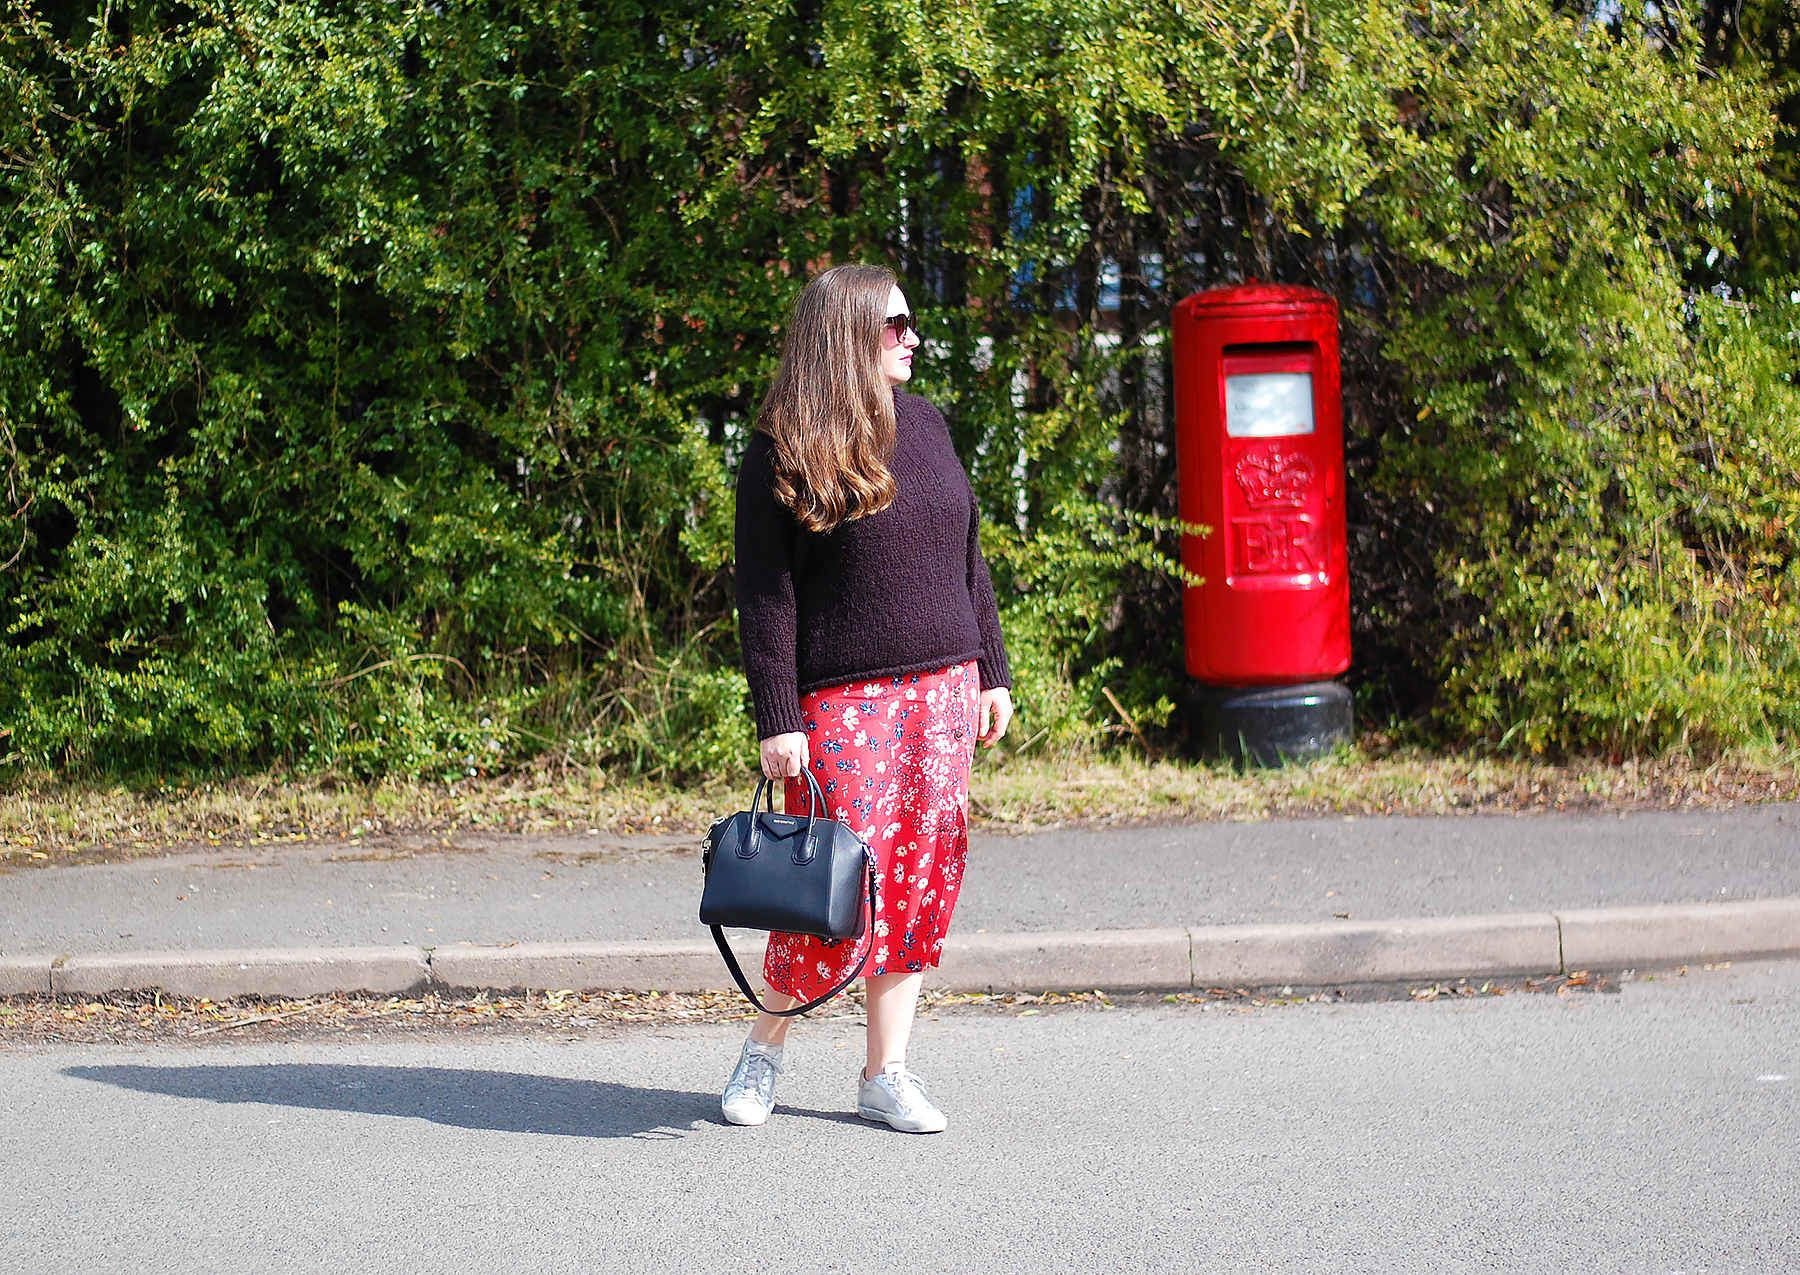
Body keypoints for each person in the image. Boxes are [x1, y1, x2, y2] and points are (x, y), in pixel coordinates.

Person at [722, 263, 1014, 1133]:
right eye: (896, 324)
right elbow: (766, 594)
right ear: (849, 333)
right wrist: (778, 718)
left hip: (943, 693)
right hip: (844, 705)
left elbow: (968, 553)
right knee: (834, 889)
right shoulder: (784, 445)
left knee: (920, 884)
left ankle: (885, 1071)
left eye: (910, 322)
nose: (913, 337)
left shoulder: (925, 423)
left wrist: (991, 668)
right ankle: (762, 1050)